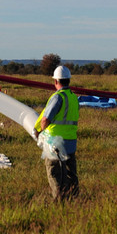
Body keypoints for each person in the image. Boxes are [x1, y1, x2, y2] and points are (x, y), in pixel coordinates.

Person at [34, 64, 79, 201]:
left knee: (55, 173)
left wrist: (40, 131)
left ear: (55, 81)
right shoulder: (73, 97)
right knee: (71, 174)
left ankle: (59, 202)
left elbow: (46, 119)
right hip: (70, 141)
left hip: (55, 144)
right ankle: (74, 199)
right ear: (69, 80)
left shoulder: (58, 97)